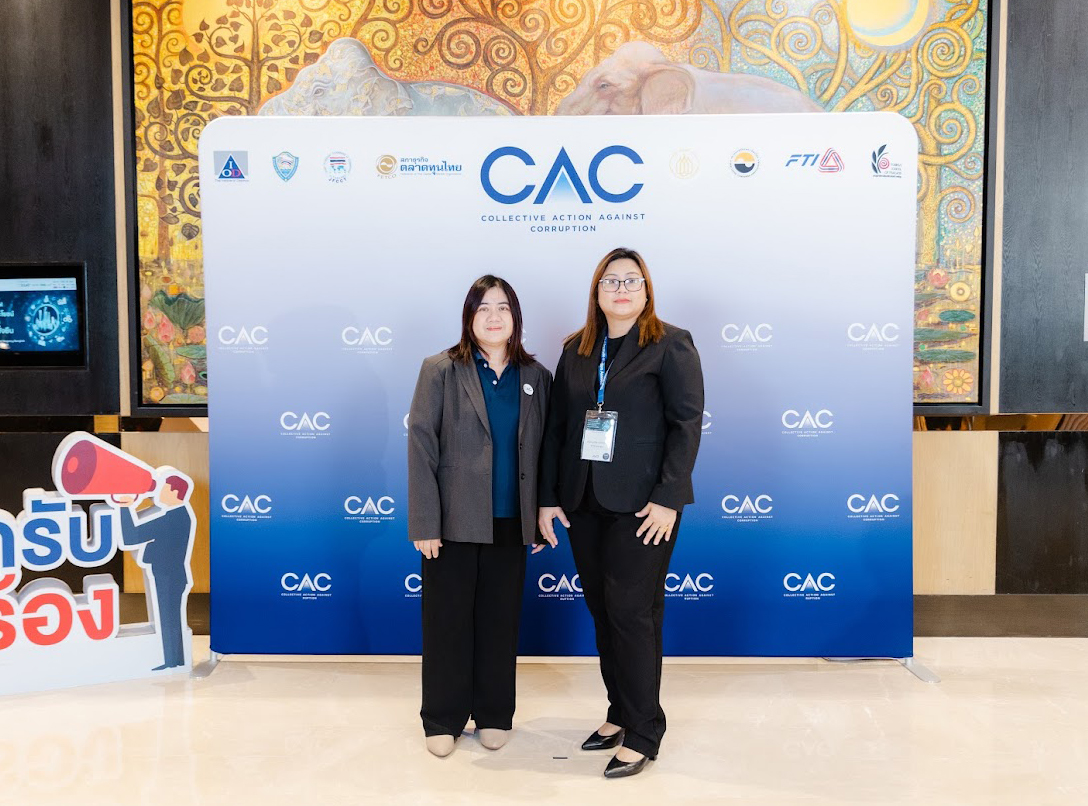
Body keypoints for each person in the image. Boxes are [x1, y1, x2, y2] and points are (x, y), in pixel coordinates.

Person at [538, 247, 703, 778]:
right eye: (611, 280)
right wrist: (549, 496)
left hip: (645, 506)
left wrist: (669, 497)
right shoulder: (577, 348)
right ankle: (619, 712)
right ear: (597, 291)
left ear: (647, 290)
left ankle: (644, 730)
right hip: (584, 500)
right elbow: (558, 429)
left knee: (633, 614)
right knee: (605, 611)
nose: (622, 288)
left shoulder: (671, 343)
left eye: (632, 280)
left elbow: (686, 425)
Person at [408, 275, 554, 758]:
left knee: (499, 622)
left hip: (511, 522)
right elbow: (422, 446)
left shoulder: (536, 377)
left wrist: (539, 514)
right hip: (452, 522)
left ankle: (494, 713)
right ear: (469, 317)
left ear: (516, 317)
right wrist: (424, 522)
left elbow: (545, 451)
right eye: (483, 308)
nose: (494, 317)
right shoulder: (440, 370)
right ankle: (443, 717)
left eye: (503, 308)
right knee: (447, 622)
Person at [116, 472, 196, 671]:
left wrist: (125, 507)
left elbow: (132, 536)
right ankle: (176, 660)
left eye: (164, 488)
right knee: (172, 619)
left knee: (168, 619)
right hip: (172, 575)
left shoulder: (172, 517)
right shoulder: (179, 514)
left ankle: (172, 661)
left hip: (168, 576)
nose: (159, 492)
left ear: (175, 492)